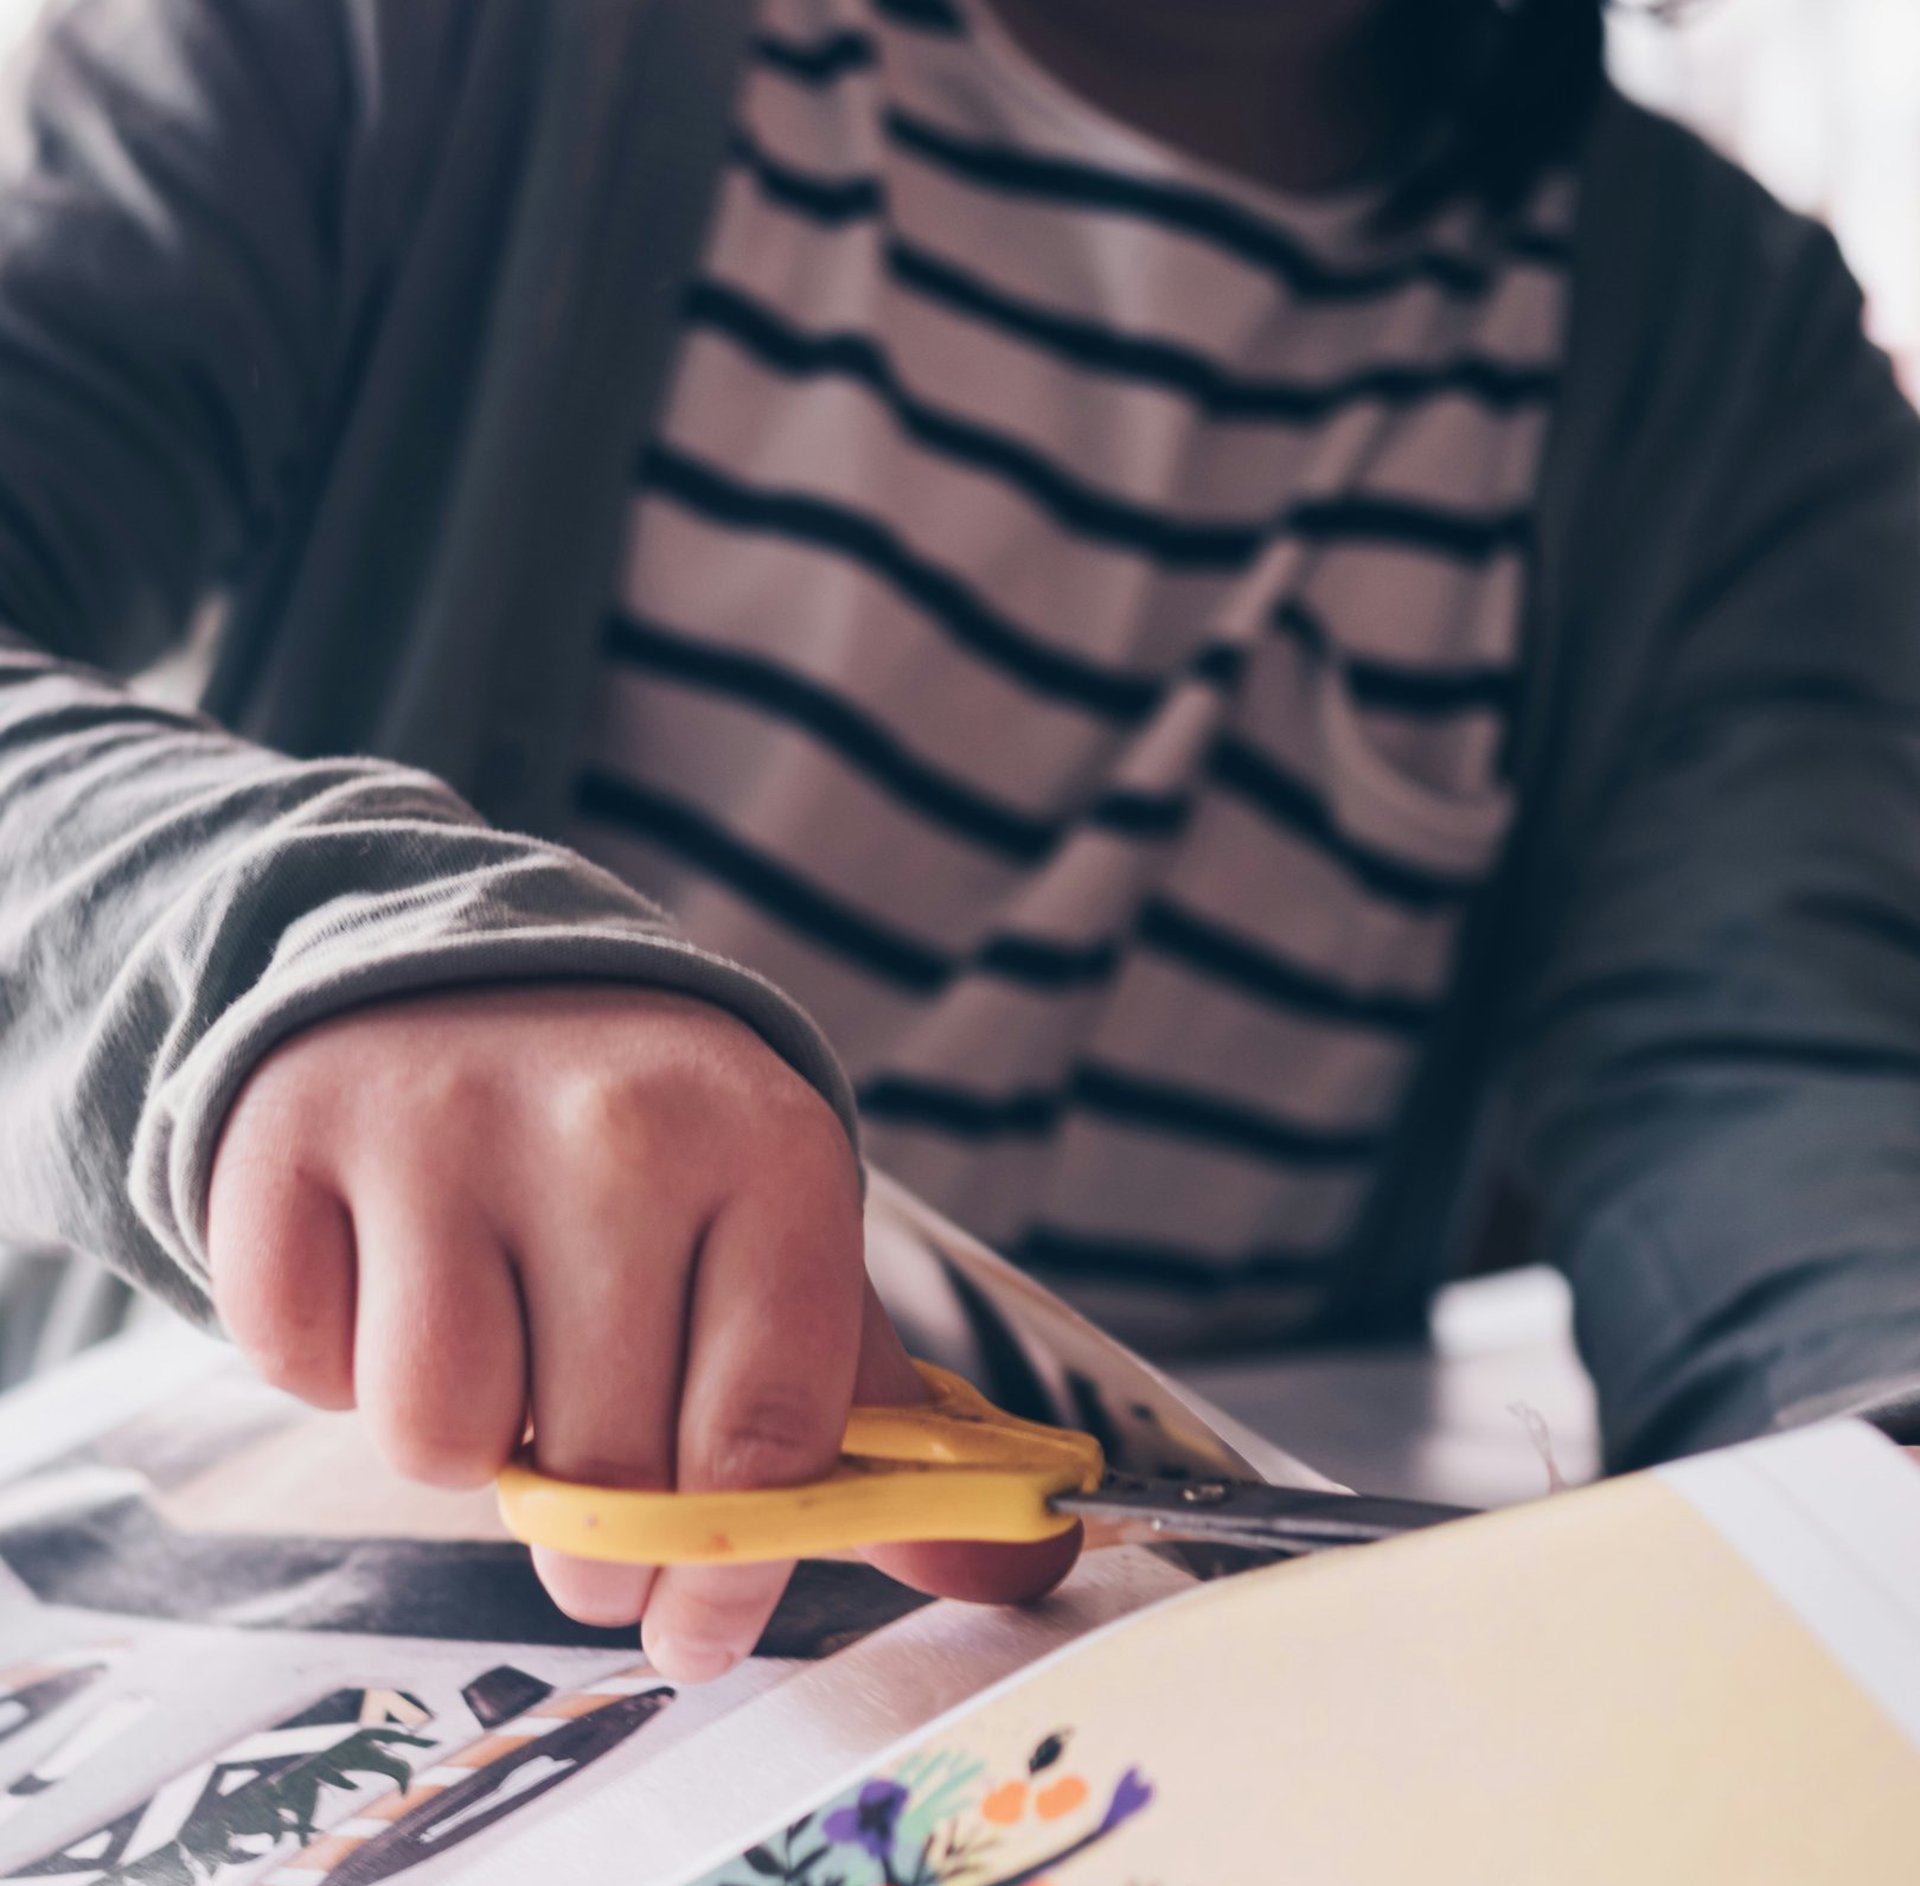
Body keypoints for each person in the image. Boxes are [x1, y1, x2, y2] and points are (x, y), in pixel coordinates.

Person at [0, 0, 1913, 1681]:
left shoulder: (1731, 365)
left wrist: (1874, 1482)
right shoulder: (402, 36)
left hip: (1191, 1745)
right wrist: (279, 961)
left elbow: (1785, 1107)